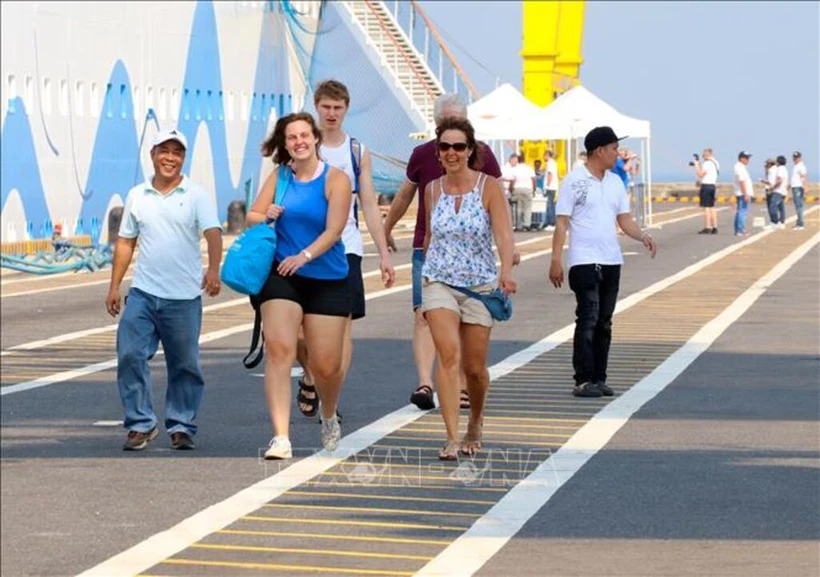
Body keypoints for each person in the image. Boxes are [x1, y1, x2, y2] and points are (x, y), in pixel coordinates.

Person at [382, 93, 504, 413]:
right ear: (436, 125)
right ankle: (425, 383)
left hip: (471, 255)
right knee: (423, 316)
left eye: (458, 120)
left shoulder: (483, 155)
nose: (451, 148)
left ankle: (461, 382)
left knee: (463, 321)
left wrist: (506, 248)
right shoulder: (422, 154)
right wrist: (386, 228)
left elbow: (497, 198)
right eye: (446, 121)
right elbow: (406, 194)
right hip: (428, 247)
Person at [106, 128, 223, 451]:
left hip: (183, 297)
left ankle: (181, 425)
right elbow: (126, 241)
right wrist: (114, 286)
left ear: (183, 158)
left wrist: (213, 270)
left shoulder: (196, 195)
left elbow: (213, 233)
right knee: (130, 355)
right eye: (164, 151)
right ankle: (140, 424)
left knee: (185, 364)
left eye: (177, 152)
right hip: (143, 294)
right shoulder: (137, 195)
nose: (170, 158)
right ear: (153, 154)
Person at [247, 112, 352, 459]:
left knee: (326, 364)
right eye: (292, 137)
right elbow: (252, 215)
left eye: (304, 135)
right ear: (285, 143)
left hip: (326, 275)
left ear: (315, 138)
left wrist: (304, 256)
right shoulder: (279, 177)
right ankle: (281, 436)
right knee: (280, 349)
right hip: (281, 274)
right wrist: (267, 215)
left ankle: (328, 413)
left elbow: (334, 229)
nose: (299, 142)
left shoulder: (335, 179)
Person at [294, 80, 396, 420]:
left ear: (346, 109)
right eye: (326, 107)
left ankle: (331, 399)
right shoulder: (304, 145)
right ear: (317, 106)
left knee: (343, 327)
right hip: (301, 247)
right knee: (298, 328)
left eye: (338, 108)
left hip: (345, 249)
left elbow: (368, 201)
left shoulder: (355, 150)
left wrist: (382, 252)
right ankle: (309, 375)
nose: (332, 113)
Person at [421, 117, 516, 459]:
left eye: (459, 146)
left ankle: (475, 422)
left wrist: (506, 272)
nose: (451, 153)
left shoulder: (488, 187)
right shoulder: (432, 189)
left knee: (474, 369)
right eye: (445, 146)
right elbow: (431, 236)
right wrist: (423, 282)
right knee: (448, 355)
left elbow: (504, 235)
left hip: (480, 285)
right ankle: (450, 436)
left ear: (470, 150)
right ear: (438, 151)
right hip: (439, 281)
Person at [549, 126, 658, 398]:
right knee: (588, 318)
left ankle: (599, 378)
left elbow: (624, 219)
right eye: (613, 148)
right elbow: (561, 222)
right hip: (583, 261)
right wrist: (555, 261)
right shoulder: (573, 181)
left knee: (605, 322)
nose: (617, 154)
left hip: (611, 260)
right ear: (599, 151)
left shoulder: (615, 182)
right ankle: (583, 379)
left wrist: (642, 235)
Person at [693, 148, 720, 234]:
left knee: (706, 207)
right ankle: (715, 226)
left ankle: (708, 226)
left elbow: (700, 174)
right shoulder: (716, 162)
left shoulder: (707, 163)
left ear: (707, 154)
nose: (702, 156)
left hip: (706, 186)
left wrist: (696, 165)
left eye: (703, 154)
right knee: (712, 207)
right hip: (712, 185)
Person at [508, 154, 537, 231]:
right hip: (528, 189)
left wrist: (511, 190)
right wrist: (534, 189)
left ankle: (518, 225)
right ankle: (527, 224)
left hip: (517, 189)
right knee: (528, 207)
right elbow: (534, 180)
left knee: (518, 207)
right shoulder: (529, 168)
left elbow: (512, 181)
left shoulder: (515, 169)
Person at [732, 151, 754, 236]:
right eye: (746, 158)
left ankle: (738, 229)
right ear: (741, 158)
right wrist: (745, 194)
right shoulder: (739, 168)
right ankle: (740, 229)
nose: (748, 160)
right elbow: (742, 181)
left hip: (741, 192)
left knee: (740, 211)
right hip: (743, 193)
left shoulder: (740, 167)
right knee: (743, 211)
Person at [768, 155, 789, 229]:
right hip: (783, 191)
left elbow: (780, 180)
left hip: (778, 191)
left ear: (778, 162)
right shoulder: (785, 169)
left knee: (772, 207)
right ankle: (782, 222)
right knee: (781, 207)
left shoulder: (780, 169)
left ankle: (775, 222)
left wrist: (773, 187)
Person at [790, 151, 808, 230]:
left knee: (799, 206)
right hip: (794, 187)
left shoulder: (801, 166)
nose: (795, 159)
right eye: (794, 157)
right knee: (797, 205)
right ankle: (798, 222)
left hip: (798, 187)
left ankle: (800, 224)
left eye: (796, 157)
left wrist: (806, 186)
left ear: (800, 158)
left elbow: (803, 176)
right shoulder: (796, 166)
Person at [543, 149, 559, 230]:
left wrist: (547, 186)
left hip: (550, 187)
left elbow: (550, 175)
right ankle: (551, 221)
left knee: (550, 205)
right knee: (552, 205)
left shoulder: (550, 163)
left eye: (544, 155)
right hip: (554, 187)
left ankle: (552, 222)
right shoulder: (553, 163)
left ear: (547, 155)